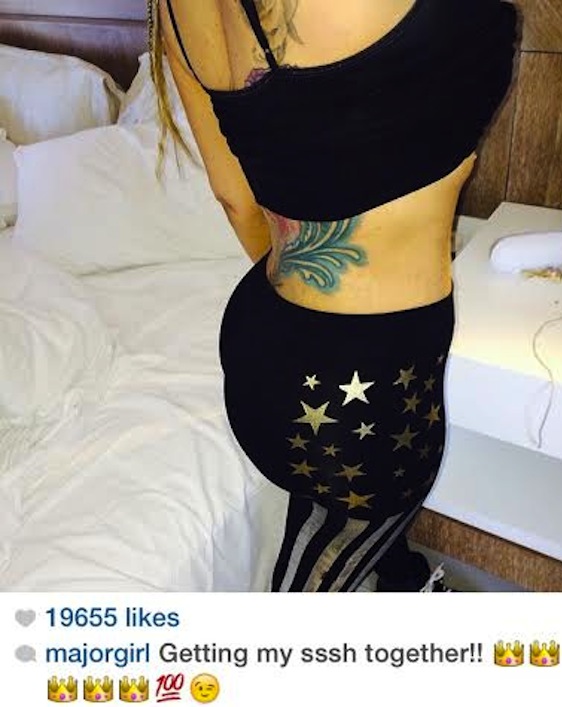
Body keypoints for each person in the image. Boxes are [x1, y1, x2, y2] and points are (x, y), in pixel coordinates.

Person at [148, 0, 517, 591]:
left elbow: (235, 199)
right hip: (369, 384)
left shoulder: (170, 9)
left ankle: (400, 581)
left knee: (339, 521)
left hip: (263, 344)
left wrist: (309, 319)